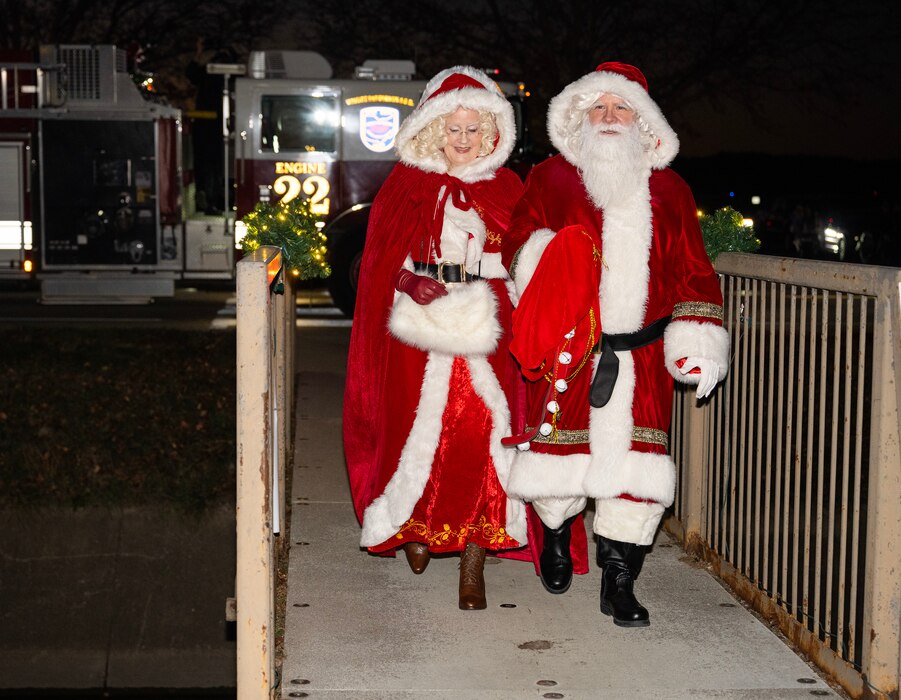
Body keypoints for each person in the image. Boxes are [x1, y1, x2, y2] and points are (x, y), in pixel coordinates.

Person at [500, 62, 729, 627]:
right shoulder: (552, 177)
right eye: (597, 108)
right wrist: (549, 258)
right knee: (559, 460)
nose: (608, 118)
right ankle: (555, 535)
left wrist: (699, 341)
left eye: (619, 108)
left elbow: (693, 273)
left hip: (642, 357)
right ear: (579, 116)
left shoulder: (671, 190)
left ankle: (619, 577)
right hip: (571, 350)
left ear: (642, 120)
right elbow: (516, 241)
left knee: (636, 470)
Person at [343, 67, 528, 610]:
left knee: (478, 435)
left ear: (492, 131)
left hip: (484, 328)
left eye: (475, 128)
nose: (464, 139)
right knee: (412, 431)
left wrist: (500, 270)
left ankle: (474, 557)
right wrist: (405, 279)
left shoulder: (508, 187)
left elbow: (523, 260)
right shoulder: (405, 184)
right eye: (454, 128)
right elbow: (378, 262)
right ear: (433, 129)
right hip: (416, 333)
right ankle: (417, 529)